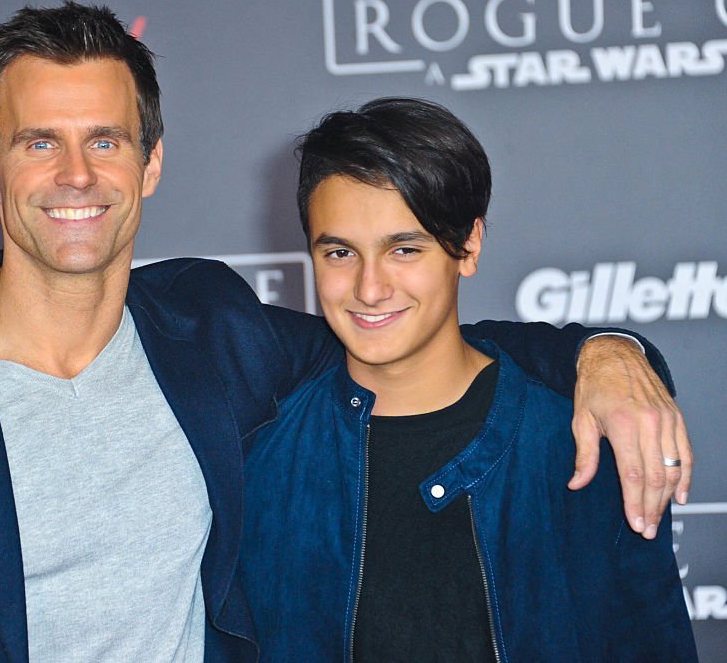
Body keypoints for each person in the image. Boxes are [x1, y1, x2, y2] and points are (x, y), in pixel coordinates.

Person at [0, 2, 689, 662]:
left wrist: (601, 354)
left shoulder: (214, 332)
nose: (76, 174)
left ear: (149, 165)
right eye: (39, 142)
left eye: (105, 139)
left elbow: (413, 336)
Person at [240, 97, 697, 661]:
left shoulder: (579, 441)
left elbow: (651, 643)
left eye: (404, 249)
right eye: (339, 253)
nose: (369, 287)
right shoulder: (262, 453)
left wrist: (611, 352)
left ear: (469, 245)